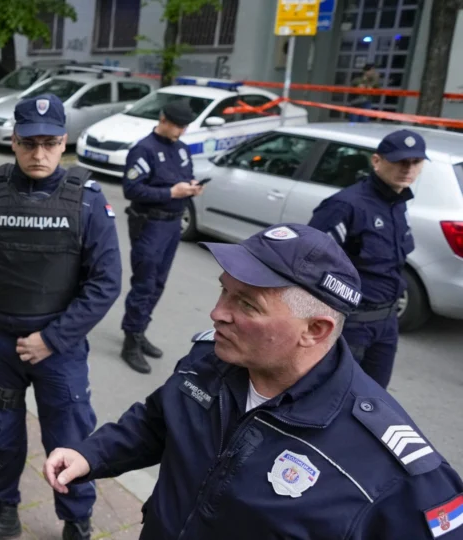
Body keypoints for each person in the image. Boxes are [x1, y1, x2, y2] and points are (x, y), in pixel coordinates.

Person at [42, 223, 463, 539]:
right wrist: (92, 455)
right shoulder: (211, 360)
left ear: (314, 330)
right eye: (224, 291)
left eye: (246, 303)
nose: (217, 313)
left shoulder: (393, 472)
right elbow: (157, 421)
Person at [0, 94, 121, 540]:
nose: (39, 155)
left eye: (50, 143)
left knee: (70, 438)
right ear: (13, 141)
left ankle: (77, 520)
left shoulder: (88, 203)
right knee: (2, 434)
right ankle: (3, 511)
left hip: (59, 349)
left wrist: (52, 339)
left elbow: (105, 283)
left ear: (64, 142)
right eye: (29, 143)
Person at [307, 129, 423, 389]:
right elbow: (311, 266)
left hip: (386, 324)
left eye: (415, 162)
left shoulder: (398, 203)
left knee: (372, 401)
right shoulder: (345, 205)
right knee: (333, 398)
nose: (408, 169)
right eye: (400, 161)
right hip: (351, 325)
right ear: (377, 161)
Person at [119, 100, 204, 374]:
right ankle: (130, 341)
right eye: (177, 125)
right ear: (163, 119)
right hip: (150, 224)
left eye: (185, 126)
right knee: (144, 284)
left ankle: (140, 329)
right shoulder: (144, 149)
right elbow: (132, 189)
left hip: (171, 225)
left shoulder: (180, 149)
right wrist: (170, 193)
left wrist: (190, 188)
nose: (181, 131)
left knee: (158, 284)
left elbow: (185, 175)